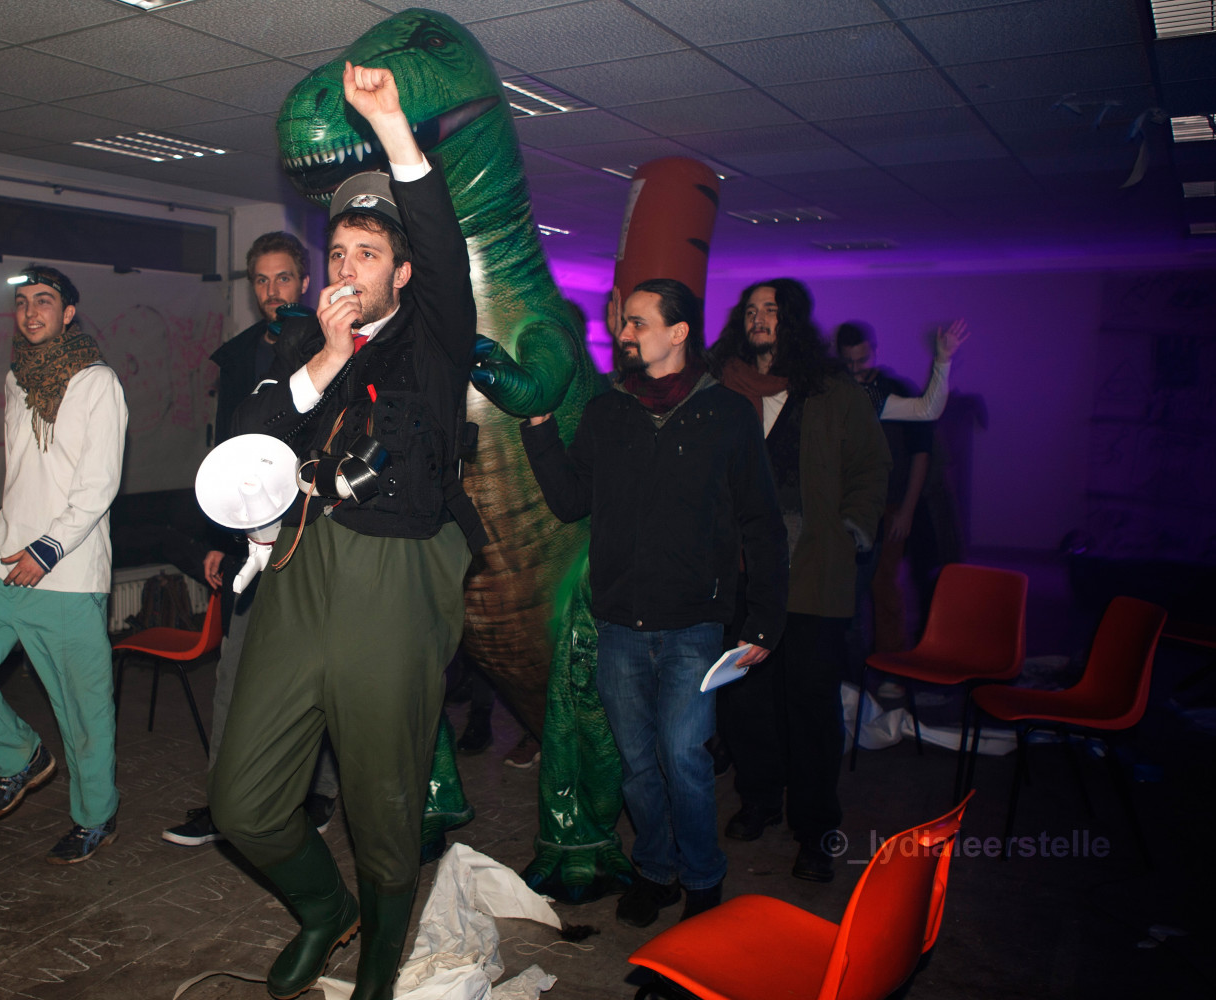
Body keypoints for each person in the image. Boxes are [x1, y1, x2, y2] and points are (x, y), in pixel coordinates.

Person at [206, 62, 485, 1000]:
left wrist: (395, 128)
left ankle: (376, 968)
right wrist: (325, 358)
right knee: (243, 801)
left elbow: (441, 248)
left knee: (382, 799)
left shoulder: (435, 340)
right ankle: (326, 909)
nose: (346, 269)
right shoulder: (298, 344)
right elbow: (249, 442)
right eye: (338, 253)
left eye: (368, 254)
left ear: (401, 274)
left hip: (394, 581)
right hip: (298, 573)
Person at [521, 278, 788, 926]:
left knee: (685, 759)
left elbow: (762, 522)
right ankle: (656, 870)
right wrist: (538, 429)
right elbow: (570, 502)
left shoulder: (727, 413)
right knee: (638, 764)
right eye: (625, 323)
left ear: (678, 332)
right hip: (619, 624)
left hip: (695, 624)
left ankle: (702, 879)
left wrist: (763, 621)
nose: (624, 334)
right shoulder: (608, 412)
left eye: (638, 323)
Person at [0, 264, 127, 865]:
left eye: (45, 301)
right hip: (2, 558)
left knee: (83, 711)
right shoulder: (16, 379)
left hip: (67, 572)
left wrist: (49, 548)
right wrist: (22, 542)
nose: (31, 312)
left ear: (69, 313)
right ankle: (20, 756)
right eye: (23, 302)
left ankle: (96, 817)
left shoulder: (97, 382)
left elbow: (99, 483)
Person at [161, 232, 341, 848]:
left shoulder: (332, 347)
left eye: (283, 277)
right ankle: (223, 801)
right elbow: (225, 453)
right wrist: (219, 536)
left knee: (314, 676)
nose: (272, 291)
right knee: (234, 676)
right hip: (247, 539)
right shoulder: (239, 356)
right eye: (261, 280)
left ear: (305, 281)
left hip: (312, 534)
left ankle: (317, 791)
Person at [711, 279, 889, 884]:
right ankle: (760, 798)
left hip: (812, 574)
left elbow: (872, 465)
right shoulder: (721, 389)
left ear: (793, 321)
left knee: (810, 706)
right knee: (745, 700)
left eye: (772, 310)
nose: (760, 319)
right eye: (752, 310)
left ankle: (814, 828)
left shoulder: (832, 392)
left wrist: (851, 528)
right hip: (741, 577)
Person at [836, 321, 969, 656]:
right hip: (846, 509)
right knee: (844, 592)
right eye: (849, 362)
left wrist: (943, 360)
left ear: (874, 352)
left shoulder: (882, 391)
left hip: (889, 504)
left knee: (884, 584)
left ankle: (888, 661)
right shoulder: (834, 390)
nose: (856, 370)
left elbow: (926, 418)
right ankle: (850, 667)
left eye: (862, 361)